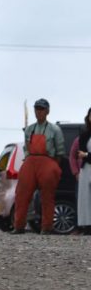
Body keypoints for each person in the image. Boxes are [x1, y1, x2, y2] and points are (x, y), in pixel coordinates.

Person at [12, 99, 65, 235]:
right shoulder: (29, 129)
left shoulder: (55, 129)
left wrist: (53, 167)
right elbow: (26, 148)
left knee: (47, 196)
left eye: (41, 109)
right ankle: (19, 226)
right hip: (30, 160)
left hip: (48, 160)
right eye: (37, 109)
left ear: (47, 111)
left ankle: (46, 227)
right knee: (21, 194)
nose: (39, 111)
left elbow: (60, 152)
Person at [68, 107, 91, 235]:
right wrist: (76, 172)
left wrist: (87, 155)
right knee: (83, 200)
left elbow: (84, 154)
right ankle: (84, 227)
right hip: (84, 171)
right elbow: (73, 155)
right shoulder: (81, 137)